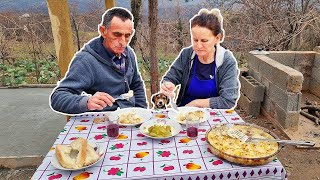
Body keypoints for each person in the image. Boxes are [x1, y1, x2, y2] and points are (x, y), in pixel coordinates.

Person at [50, 7, 148, 115]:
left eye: (127, 36)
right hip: (101, 120)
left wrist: (142, 112)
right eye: (117, 34)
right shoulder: (86, 61)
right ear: (103, 31)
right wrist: (86, 102)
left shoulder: (129, 53)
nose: (123, 42)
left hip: (129, 116)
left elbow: (137, 85)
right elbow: (58, 98)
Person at [161, 8, 240, 109]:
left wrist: (196, 104)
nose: (198, 46)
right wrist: (169, 85)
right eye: (195, 40)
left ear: (217, 38)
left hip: (214, 118)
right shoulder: (187, 55)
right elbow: (170, 77)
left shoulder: (226, 62)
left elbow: (228, 100)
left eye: (204, 41)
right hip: (183, 114)